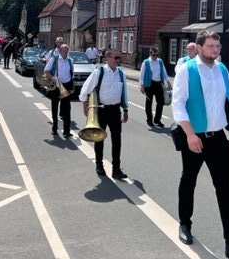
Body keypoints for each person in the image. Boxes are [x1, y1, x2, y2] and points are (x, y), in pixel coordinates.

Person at [171, 29, 229, 259]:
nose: (215, 50)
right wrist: (190, 134)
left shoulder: (222, 69)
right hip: (195, 137)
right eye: (210, 46)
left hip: (218, 137)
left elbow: (226, 101)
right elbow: (178, 105)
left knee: (224, 189)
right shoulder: (187, 70)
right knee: (189, 180)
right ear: (199, 47)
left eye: (218, 46)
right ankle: (185, 223)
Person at [79, 48, 129, 179]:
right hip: (101, 110)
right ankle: (99, 165)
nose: (118, 60)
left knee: (117, 140)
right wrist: (85, 107)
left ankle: (116, 169)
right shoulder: (99, 72)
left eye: (119, 58)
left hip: (115, 110)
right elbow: (86, 89)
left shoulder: (121, 74)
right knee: (99, 139)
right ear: (108, 58)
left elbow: (124, 93)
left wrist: (125, 110)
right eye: (116, 58)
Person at [44, 43, 74, 137]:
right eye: (63, 51)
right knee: (55, 107)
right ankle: (54, 128)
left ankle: (66, 131)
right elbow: (46, 70)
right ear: (60, 51)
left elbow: (71, 73)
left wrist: (71, 84)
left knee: (67, 109)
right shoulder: (55, 59)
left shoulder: (70, 61)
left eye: (66, 51)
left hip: (66, 85)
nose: (65, 53)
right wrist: (53, 78)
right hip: (56, 85)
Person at [139, 47, 172, 127]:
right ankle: (149, 120)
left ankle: (157, 120)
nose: (155, 57)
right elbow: (141, 76)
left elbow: (164, 73)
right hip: (149, 84)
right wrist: (142, 86)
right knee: (149, 103)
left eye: (157, 55)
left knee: (160, 102)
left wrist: (168, 82)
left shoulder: (160, 61)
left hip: (159, 84)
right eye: (154, 55)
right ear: (150, 54)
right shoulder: (146, 63)